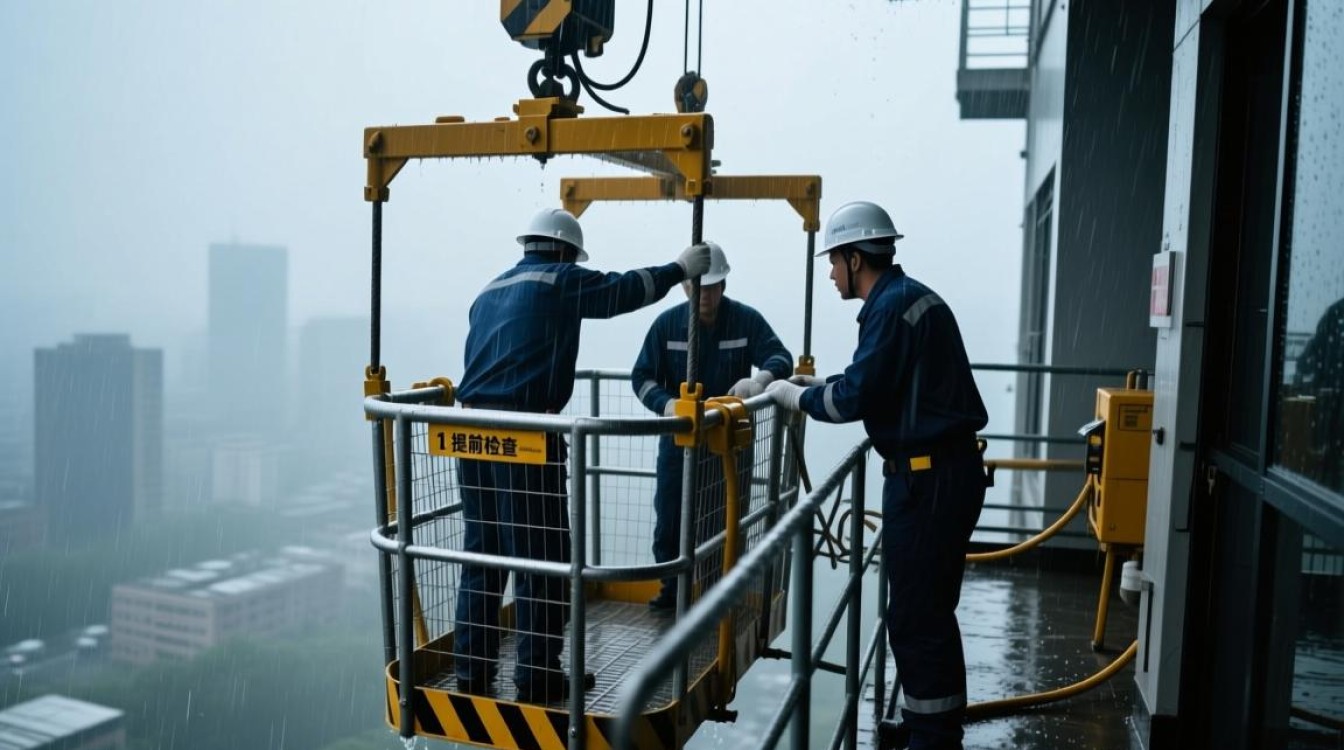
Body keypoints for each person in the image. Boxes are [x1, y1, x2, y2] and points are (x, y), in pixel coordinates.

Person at [452, 208, 712, 703]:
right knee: (542, 559)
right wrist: (679, 269)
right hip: (526, 435)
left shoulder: (490, 288)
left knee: (482, 555)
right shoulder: (559, 280)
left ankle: (472, 668)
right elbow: (622, 290)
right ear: (567, 251)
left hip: (471, 434)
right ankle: (536, 675)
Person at [764, 201, 988, 749]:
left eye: (835, 262)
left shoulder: (889, 309)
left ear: (856, 257)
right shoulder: (907, 300)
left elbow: (854, 400)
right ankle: (927, 726)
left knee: (916, 615)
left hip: (926, 481)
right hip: (943, 474)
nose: (832, 273)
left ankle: (932, 738)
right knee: (928, 610)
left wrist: (792, 396)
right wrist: (806, 383)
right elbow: (875, 379)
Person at [631, 242, 793, 611]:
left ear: (723, 286)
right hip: (680, 443)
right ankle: (672, 592)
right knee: (671, 520)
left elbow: (779, 356)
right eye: (698, 286)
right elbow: (641, 376)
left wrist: (762, 379)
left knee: (724, 523)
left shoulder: (745, 321)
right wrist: (666, 403)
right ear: (685, 285)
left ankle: (718, 596)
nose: (705, 294)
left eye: (712, 286)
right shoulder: (668, 325)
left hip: (728, 446)